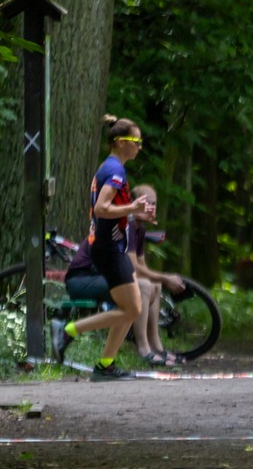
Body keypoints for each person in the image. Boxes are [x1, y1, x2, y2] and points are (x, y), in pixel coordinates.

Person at [59, 118, 157, 380]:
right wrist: (132, 208)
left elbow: (114, 212)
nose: (139, 147)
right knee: (133, 309)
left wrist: (137, 214)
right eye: (136, 142)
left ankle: (106, 364)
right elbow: (102, 209)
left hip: (112, 247)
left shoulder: (113, 168)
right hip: (109, 250)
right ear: (121, 142)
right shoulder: (115, 171)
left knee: (131, 307)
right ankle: (69, 330)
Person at [126, 184, 189, 366]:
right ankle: (143, 348)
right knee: (145, 284)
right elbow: (135, 268)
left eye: (154, 204)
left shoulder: (139, 227)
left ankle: (157, 347)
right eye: (146, 203)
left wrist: (159, 279)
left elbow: (142, 264)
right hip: (99, 275)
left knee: (154, 284)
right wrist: (165, 277)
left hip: (121, 275)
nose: (151, 208)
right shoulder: (127, 224)